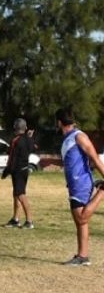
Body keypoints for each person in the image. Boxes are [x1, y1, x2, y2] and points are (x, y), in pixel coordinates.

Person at [56, 108, 104, 266]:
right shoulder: (68, 138)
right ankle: (83, 256)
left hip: (81, 183)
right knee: (80, 222)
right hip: (74, 184)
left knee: (82, 218)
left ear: (59, 122)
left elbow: (95, 158)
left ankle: (102, 191)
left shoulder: (79, 136)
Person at [1, 118, 36, 229]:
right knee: (16, 194)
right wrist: (29, 136)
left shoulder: (15, 140)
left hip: (17, 170)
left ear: (15, 128)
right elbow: (32, 148)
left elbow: (11, 157)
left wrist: (6, 170)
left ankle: (29, 221)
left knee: (20, 194)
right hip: (25, 169)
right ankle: (15, 219)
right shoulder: (28, 139)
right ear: (25, 128)